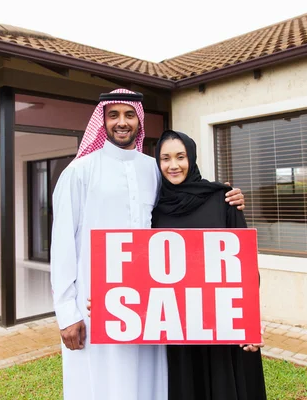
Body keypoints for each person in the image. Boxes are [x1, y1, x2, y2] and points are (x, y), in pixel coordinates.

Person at [50, 89, 245, 400]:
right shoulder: (79, 172)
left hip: (150, 305)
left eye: (129, 115)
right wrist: (66, 312)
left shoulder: (152, 169)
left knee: (149, 384)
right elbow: (61, 246)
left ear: (139, 121)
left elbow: (188, 202)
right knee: (101, 384)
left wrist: (228, 198)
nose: (122, 122)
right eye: (113, 115)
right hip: (95, 303)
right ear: (103, 121)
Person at [152, 129, 266, 400]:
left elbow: (246, 266)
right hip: (179, 325)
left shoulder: (223, 198)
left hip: (222, 321)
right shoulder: (154, 209)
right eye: (165, 158)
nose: (173, 165)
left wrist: (251, 320)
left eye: (180, 156)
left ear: (191, 158)